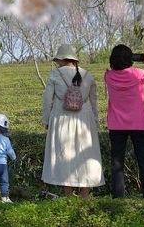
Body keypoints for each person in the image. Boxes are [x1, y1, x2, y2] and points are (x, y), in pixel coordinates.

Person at [42, 44, 104, 201]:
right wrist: (95, 121)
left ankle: (68, 195)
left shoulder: (55, 75)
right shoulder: (88, 75)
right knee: (86, 155)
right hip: (85, 121)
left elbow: (47, 100)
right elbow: (93, 101)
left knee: (64, 154)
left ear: (62, 59)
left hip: (61, 119)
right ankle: (85, 193)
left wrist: (46, 120)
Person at [104, 44, 144, 199]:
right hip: (138, 124)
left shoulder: (108, 76)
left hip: (116, 125)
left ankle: (118, 197)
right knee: (143, 160)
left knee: (117, 162)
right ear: (130, 59)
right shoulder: (139, 74)